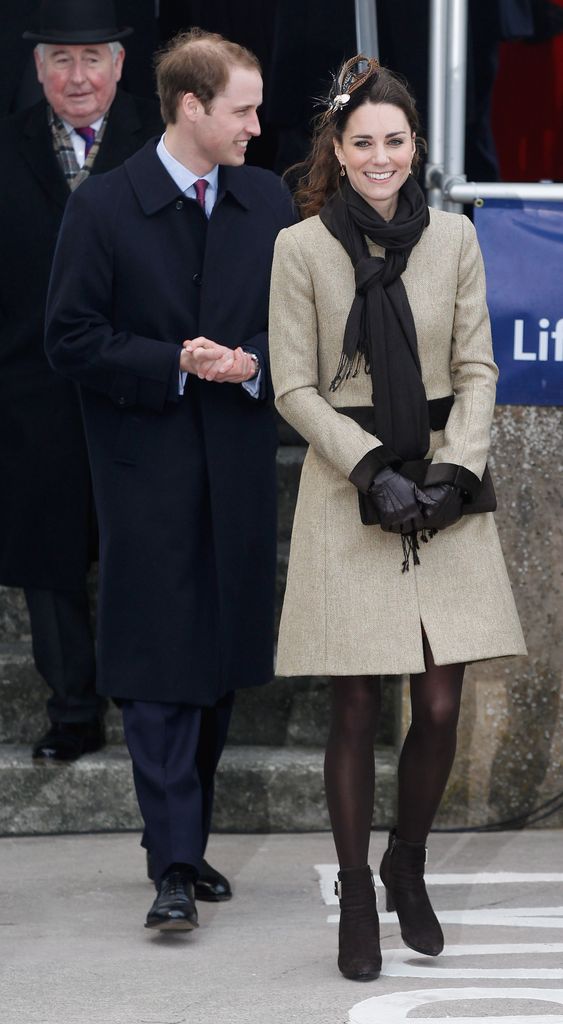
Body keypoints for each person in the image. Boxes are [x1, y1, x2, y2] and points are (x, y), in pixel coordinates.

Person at [269, 55, 526, 981]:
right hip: (352, 484)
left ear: (415, 146)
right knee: (353, 705)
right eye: (362, 142)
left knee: (443, 701)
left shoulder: (454, 238)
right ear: (337, 149)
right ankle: (355, 897)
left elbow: (478, 367)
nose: (380, 158)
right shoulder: (299, 250)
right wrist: (371, 469)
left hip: (443, 485)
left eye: (395, 141)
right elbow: (293, 387)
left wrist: (455, 474)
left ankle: (404, 864)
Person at [45, 28, 295, 931]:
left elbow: (303, 330)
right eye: (243, 110)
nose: (257, 127)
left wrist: (248, 364)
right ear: (191, 108)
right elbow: (67, 338)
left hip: (233, 466)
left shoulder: (267, 202)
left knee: (221, 659)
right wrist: (176, 364)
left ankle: (183, 844)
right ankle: (171, 865)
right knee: (158, 667)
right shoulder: (105, 208)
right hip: (142, 473)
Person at [0, 0, 162, 764]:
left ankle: (145, 704)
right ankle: (71, 710)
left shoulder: (160, 142)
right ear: (37, 68)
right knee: (48, 556)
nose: (77, 75)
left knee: (140, 550)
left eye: (92, 57)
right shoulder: (8, 145)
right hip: (32, 389)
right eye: (59, 59)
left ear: (120, 65)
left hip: (136, 382)